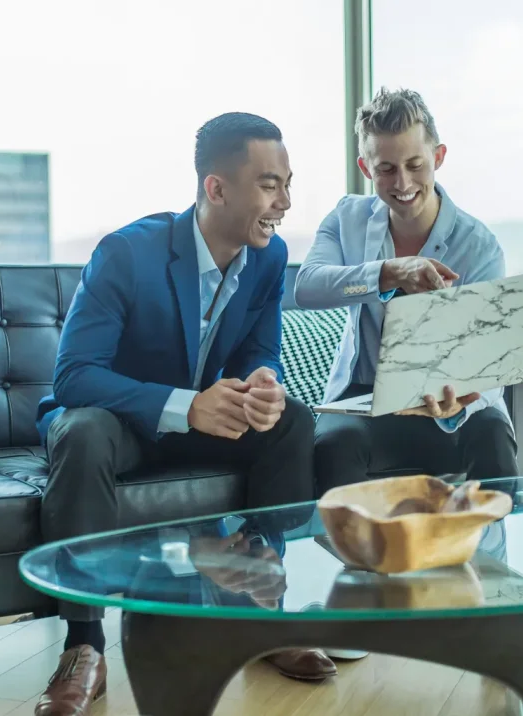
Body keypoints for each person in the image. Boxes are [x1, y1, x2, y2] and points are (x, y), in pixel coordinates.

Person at [31, 112, 330, 716]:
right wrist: (186, 406)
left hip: (201, 421)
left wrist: (262, 381)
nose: (286, 202)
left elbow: (258, 349)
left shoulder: (269, 259)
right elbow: (74, 376)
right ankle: (84, 646)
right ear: (216, 188)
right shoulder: (126, 253)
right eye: (270, 184)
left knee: (291, 420)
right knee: (81, 433)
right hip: (121, 422)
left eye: (288, 183)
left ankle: (259, 603)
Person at [294, 87, 518, 495]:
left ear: (439, 157)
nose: (403, 183)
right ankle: (354, 559)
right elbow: (308, 287)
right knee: (333, 445)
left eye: (415, 164)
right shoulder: (347, 219)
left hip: (449, 399)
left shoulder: (479, 245)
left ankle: (489, 557)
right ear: (365, 168)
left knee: (492, 436)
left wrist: (459, 399)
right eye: (386, 169)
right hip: (364, 398)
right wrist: (388, 273)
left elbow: (491, 360)